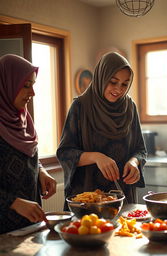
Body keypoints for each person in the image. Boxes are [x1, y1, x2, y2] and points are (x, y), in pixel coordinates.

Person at [57, 52, 146, 209]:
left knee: (125, 233)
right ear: (101, 78)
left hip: (123, 195)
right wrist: (96, 157)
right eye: (113, 82)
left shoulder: (130, 108)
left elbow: (140, 149)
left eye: (125, 84)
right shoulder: (80, 107)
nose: (118, 89)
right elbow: (65, 152)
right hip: (87, 198)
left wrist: (134, 162)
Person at [0, 54, 57, 234]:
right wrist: (14, 203)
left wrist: (41, 170)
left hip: (29, 228)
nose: (32, 93)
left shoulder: (23, 119)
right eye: (26, 86)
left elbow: (28, 153)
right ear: (6, 85)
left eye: (32, 85)